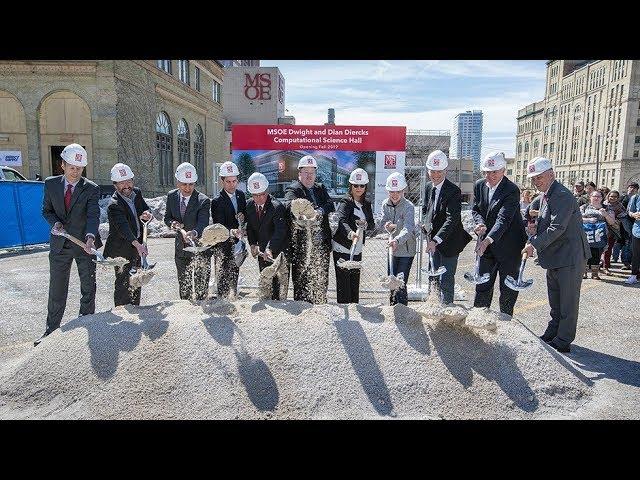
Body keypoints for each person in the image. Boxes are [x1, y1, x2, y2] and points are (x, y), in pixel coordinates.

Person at [36, 144, 102, 346]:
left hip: (84, 244)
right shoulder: (51, 184)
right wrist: (55, 223)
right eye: (72, 167)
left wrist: (90, 237)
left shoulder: (91, 188)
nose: (75, 172)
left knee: (88, 286)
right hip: (60, 244)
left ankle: (86, 322)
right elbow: (46, 210)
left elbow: (93, 215)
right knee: (57, 288)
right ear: (62, 165)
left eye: (79, 168)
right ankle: (51, 330)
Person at [523, 157, 590, 353]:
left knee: (567, 302)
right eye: (533, 178)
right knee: (556, 300)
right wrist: (535, 231)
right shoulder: (547, 195)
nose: (536, 182)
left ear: (551, 174)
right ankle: (554, 331)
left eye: (539, 177)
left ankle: (563, 341)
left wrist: (534, 244)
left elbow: (557, 228)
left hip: (569, 257)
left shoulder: (560, 194)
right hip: (556, 256)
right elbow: (548, 224)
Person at [471, 151, 527, 317]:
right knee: (483, 285)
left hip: (510, 247)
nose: (490, 175)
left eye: (494, 171)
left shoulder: (511, 190)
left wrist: (487, 240)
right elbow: (476, 209)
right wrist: (479, 222)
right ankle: (479, 319)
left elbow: (504, 219)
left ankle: (506, 323)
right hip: (487, 246)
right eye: (487, 172)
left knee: (507, 289)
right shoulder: (479, 185)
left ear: (503, 170)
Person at [421, 150, 471, 304]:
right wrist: (425, 224)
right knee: (433, 275)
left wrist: (435, 240)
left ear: (446, 171)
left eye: (439, 172)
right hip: (433, 240)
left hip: (449, 241)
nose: (436, 175)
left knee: (446, 277)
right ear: (428, 171)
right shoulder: (429, 187)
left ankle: (447, 308)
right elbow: (425, 209)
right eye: (433, 171)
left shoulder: (453, 191)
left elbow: (452, 219)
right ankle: (433, 303)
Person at [284, 155, 335, 304]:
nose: (309, 176)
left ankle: (321, 302)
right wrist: (302, 209)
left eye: (312, 172)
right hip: (303, 244)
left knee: (321, 275)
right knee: (302, 276)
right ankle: (302, 306)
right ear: (299, 173)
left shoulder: (320, 188)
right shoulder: (293, 189)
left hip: (321, 242)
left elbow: (330, 204)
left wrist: (319, 211)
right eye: (305, 172)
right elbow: (288, 205)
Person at [103, 163, 153, 306]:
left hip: (136, 247)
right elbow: (123, 228)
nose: (126, 185)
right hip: (120, 249)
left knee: (136, 279)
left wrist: (147, 213)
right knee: (123, 283)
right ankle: (122, 310)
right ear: (115, 184)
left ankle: (135, 308)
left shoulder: (136, 193)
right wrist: (138, 245)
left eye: (129, 181)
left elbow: (145, 208)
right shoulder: (114, 204)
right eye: (122, 182)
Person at [164, 162, 213, 300]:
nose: (187, 188)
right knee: (184, 287)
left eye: (191, 184)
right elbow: (167, 217)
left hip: (200, 248)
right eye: (184, 184)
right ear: (177, 182)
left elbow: (203, 222)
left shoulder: (203, 200)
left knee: (200, 288)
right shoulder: (171, 196)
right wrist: (172, 224)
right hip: (181, 249)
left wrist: (194, 233)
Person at [332, 168, 375, 304]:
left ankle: (355, 309)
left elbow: (372, 224)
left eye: (362, 185)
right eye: (355, 185)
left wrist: (366, 225)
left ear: (365, 186)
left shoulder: (367, 204)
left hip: (357, 248)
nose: (359, 188)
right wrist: (351, 233)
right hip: (343, 247)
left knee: (354, 282)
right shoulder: (346, 202)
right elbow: (341, 220)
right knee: (344, 283)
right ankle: (345, 311)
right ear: (351, 185)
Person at [245, 172, 289, 300]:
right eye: (255, 195)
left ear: (267, 190)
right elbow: (251, 228)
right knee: (265, 285)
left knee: (278, 289)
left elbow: (280, 231)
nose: (259, 198)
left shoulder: (277, 207)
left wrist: (270, 249)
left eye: (262, 194)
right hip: (263, 253)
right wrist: (253, 244)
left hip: (278, 252)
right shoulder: (249, 205)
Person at [210, 161, 247, 299]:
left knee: (234, 270)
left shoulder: (241, 195)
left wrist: (243, 217)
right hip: (223, 244)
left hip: (237, 242)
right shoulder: (216, 201)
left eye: (234, 181)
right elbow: (218, 225)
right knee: (222, 271)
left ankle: (233, 296)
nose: (232, 185)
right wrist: (231, 231)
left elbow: (245, 215)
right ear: (222, 181)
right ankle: (222, 299)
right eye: (228, 182)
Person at [380, 172, 416, 306]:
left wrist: (397, 240)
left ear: (403, 190)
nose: (394, 195)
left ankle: (402, 310)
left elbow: (408, 228)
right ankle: (393, 309)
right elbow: (383, 221)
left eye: (398, 191)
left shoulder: (408, 207)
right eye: (391, 191)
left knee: (400, 282)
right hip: (392, 249)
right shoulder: (385, 204)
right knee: (391, 281)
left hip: (406, 250)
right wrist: (386, 225)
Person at [580, 189, 616, 279]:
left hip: (600, 235)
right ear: (590, 197)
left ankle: (594, 273)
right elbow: (576, 219)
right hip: (585, 235)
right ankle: (584, 272)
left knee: (597, 253)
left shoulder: (607, 208)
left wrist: (606, 215)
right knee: (584, 253)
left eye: (598, 196)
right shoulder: (584, 207)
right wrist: (587, 220)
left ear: (602, 198)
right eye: (594, 196)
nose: (596, 198)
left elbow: (612, 222)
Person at [600, 190, 624, 274]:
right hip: (601, 229)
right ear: (608, 196)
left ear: (618, 198)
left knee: (608, 249)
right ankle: (599, 265)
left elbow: (623, 217)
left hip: (612, 231)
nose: (613, 198)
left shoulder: (620, 206)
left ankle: (606, 266)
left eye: (615, 197)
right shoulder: (603, 204)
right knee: (599, 249)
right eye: (611, 196)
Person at [625, 190, 640, 285]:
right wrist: (633, 214)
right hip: (638, 230)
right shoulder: (636, 197)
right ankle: (634, 275)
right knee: (636, 254)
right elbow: (629, 211)